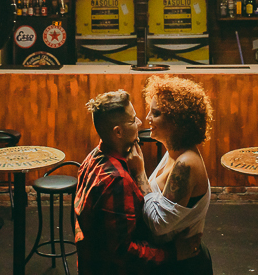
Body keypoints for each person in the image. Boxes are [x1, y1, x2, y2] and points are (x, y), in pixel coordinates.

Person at [74, 89, 201, 275]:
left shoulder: (93, 157)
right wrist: (172, 253)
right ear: (118, 132)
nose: (141, 122)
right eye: (133, 120)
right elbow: (124, 253)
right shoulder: (116, 180)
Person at [127, 76, 214, 275]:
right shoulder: (172, 152)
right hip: (172, 257)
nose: (148, 117)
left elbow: (159, 224)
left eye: (156, 113)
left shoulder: (186, 163)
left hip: (185, 265)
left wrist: (139, 173)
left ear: (177, 121)